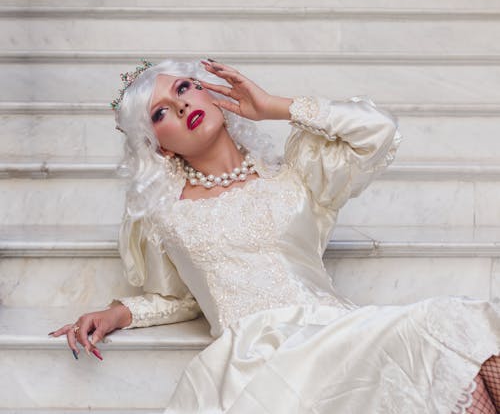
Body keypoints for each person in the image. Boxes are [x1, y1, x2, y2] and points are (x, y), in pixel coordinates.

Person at [49, 58, 500, 413]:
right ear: (160, 145)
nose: (183, 104)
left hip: (337, 329)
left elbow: (379, 131)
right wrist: (120, 312)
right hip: (260, 356)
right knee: (448, 331)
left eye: (185, 87)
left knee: (459, 330)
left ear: (210, 91)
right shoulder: (164, 216)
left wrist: (274, 107)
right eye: (161, 111)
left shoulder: (298, 177)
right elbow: (185, 298)